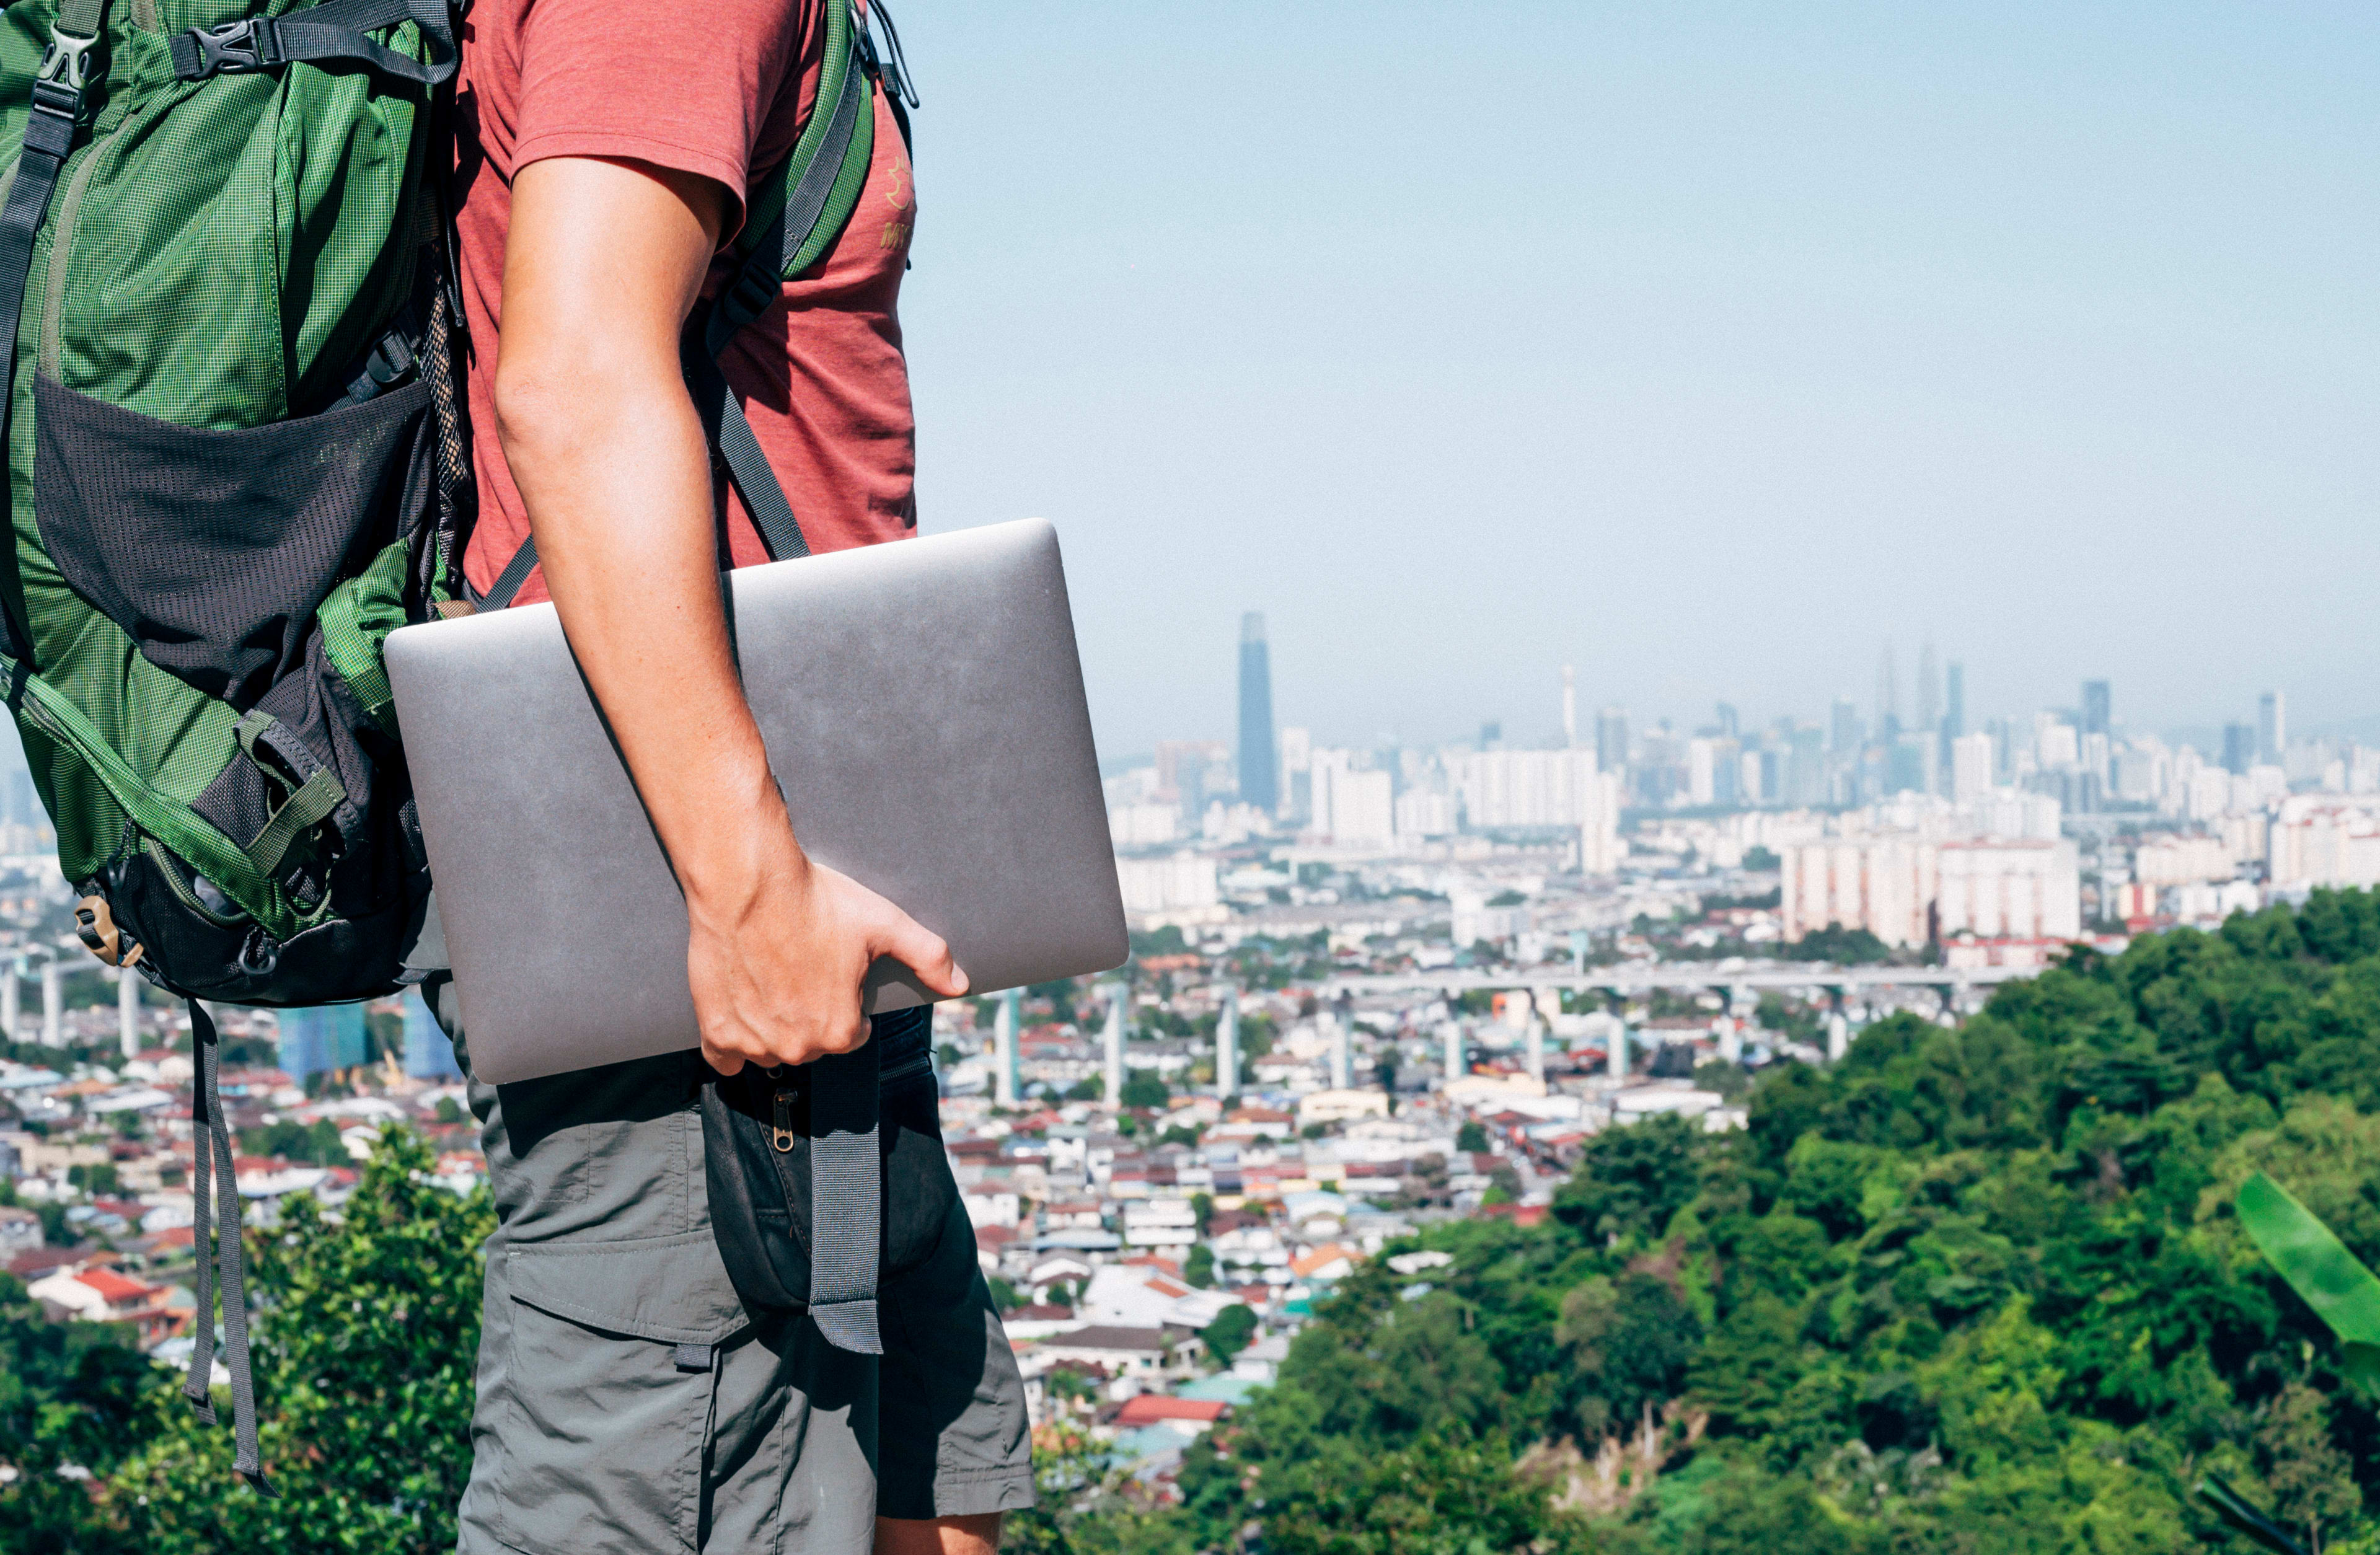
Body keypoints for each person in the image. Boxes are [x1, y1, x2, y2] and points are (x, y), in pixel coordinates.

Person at [434, 1, 1034, 1549]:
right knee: (665, 1489)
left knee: (935, 1485)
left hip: (797, 873)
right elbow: (570, 386)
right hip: (682, 887)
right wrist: (743, 880)